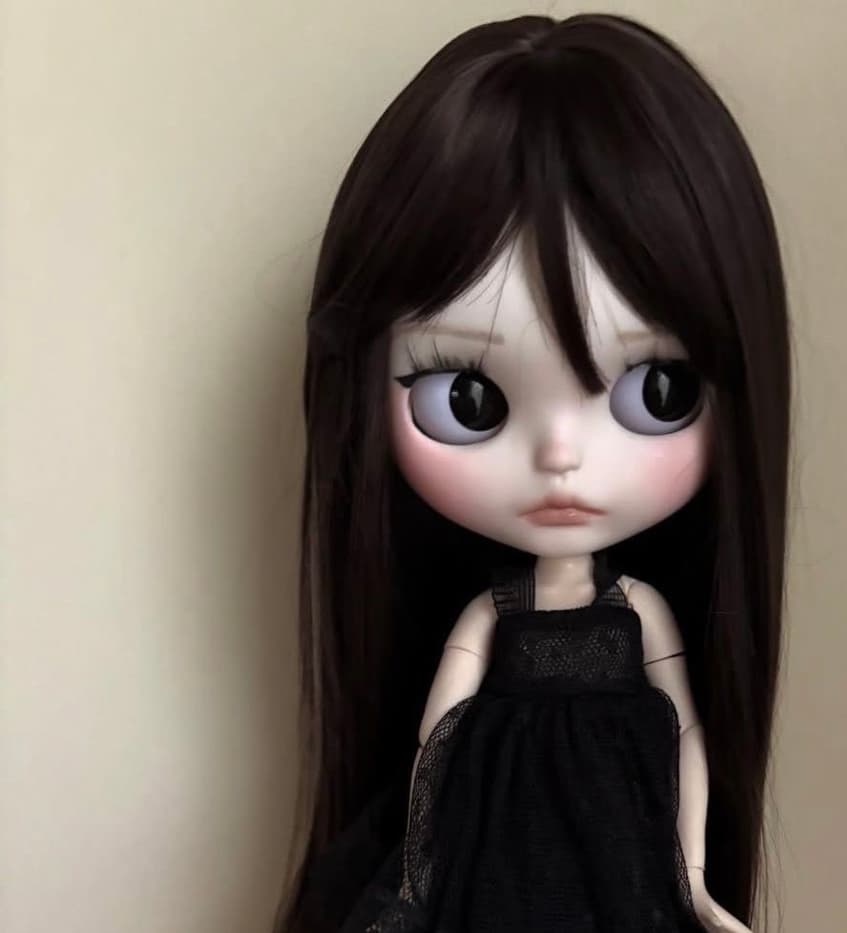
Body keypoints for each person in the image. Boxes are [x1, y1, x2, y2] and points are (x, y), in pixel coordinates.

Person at [274, 13, 791, 933]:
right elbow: (436, 740)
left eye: (657, 390)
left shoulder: (637, 611)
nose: (561, 455)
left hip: (618, 865)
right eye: (468, 398)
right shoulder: (496, 612)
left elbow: (684, 737)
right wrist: (418, 879)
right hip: (494, 862)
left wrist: (692, 881)